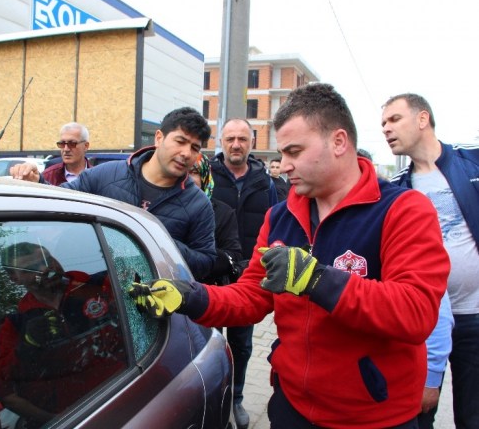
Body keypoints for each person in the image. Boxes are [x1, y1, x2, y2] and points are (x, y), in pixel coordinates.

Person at [129, 83, 450, 428]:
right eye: (282, 154)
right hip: (291, 406)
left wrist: (317, 280)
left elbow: (416, 313)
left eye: (294, 152)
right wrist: (192, 297)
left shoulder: (404, 210)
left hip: (374, 416)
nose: (283, 166)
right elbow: (253, 295)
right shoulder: (280, 216)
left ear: (339, 142)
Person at [383, 93, 478, 428]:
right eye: (383, 123)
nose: (385, 129)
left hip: (475, 317)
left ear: (422, 119)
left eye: (394, 119)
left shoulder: (473, 165)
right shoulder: (397, 189)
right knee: (420, 412)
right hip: (424, 322)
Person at [61, 107, 216, 280]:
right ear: (159, 138)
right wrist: (37, 181)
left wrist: (165, 245)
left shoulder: (198, 204)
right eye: (180, 141)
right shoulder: (105, 175)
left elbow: (206, 263)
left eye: (195, 148)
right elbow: (58, 200)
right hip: (93, 288)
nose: (186, 153)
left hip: (153, 302)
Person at [0, 242, 126, 427]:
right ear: (15, 278)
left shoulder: (100, 285)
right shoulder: (16, 324)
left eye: (48, 260)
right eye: (31, 268)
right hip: (79, 417)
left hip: (127, 391)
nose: (46, 269)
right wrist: (28, 345)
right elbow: (3, 384)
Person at [210, 118, 277, 428]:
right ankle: (213, 399)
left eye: (242, 139)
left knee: (242, 344)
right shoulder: (207, 175)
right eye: (230, 139)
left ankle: (235, 398)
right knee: (208, 343)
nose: (235, 144)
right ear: (220, 141)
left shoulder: (265, 181)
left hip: (248, 279)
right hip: (210, 275)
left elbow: (276, 224)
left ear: (252, 141)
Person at [188, 153, 243, 285]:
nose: (188, 178)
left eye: (194, 172)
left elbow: (234, 254)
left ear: (204, 176)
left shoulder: (223, 212)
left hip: (207, 291)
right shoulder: (164, 206)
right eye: (183, 172)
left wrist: (200, 255)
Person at [10, 122, 92, 185]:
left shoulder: (98, 177)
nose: (66, 149)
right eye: (62, 144)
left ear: (86, 146)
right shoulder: (48, 176)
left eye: (72, 144)